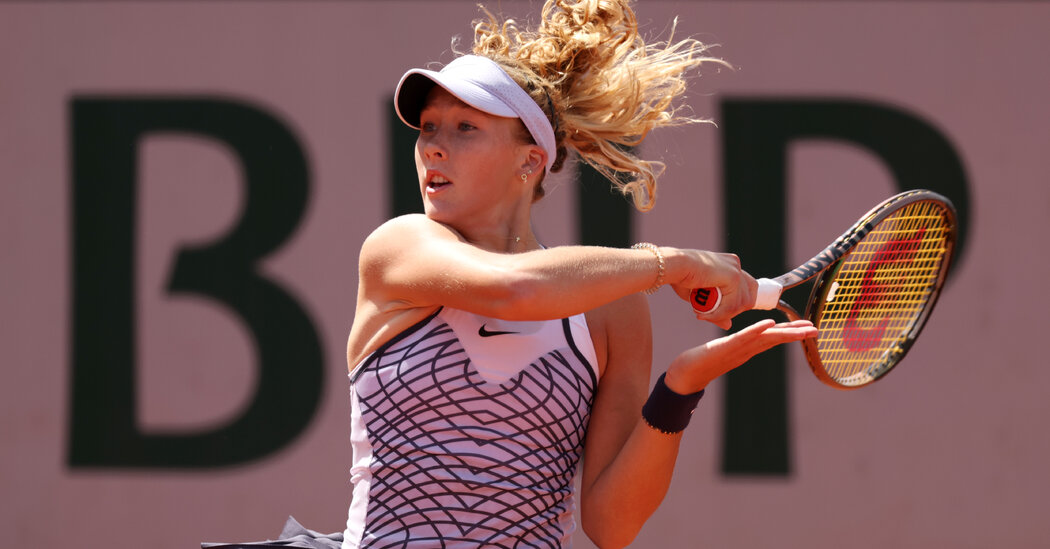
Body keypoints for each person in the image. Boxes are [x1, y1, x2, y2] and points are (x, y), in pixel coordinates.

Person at [203, 1, 816, 548]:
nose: (433, 146)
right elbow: (515, 289)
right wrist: (673, 263)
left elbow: (612, 525)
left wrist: (681, 387)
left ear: (529, 161)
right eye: (428, 128)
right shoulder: (399, 248)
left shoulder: (612, 309)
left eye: (465, 128)